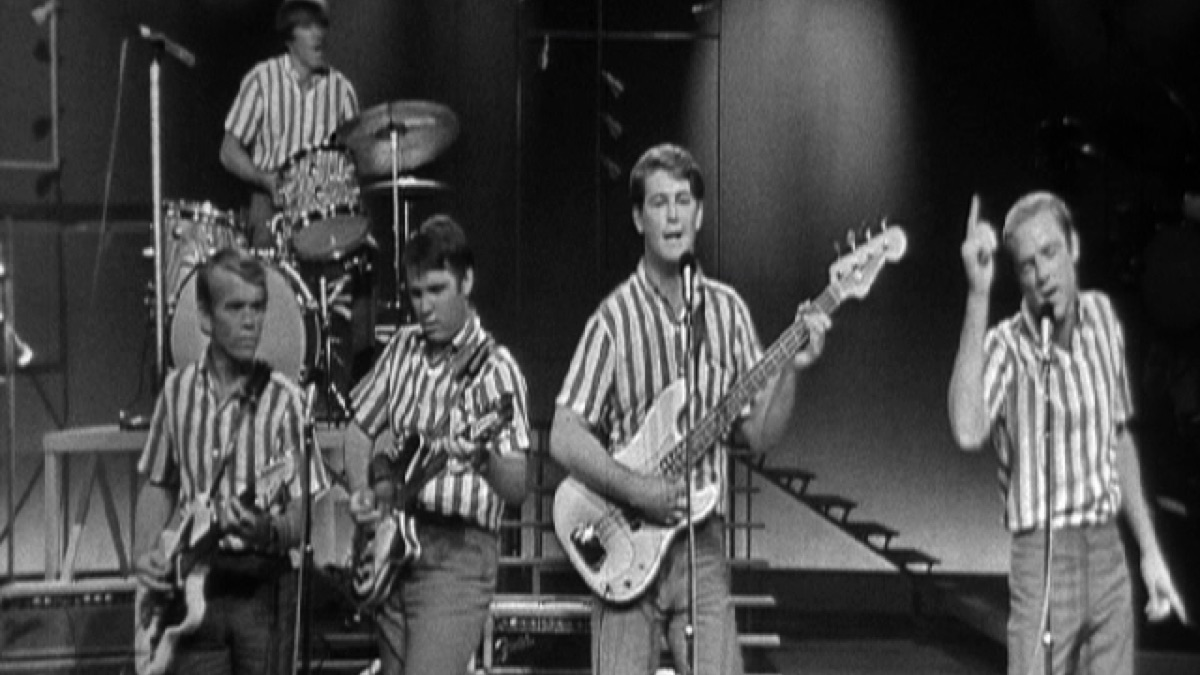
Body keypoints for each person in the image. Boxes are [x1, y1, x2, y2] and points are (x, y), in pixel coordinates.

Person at [550, 143, 831, 675]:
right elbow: (564, 435)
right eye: (659, 203)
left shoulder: (728, 312)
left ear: (699, 214)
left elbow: (759, 436)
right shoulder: (613, 320)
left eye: (683, 201)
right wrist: (636, 490)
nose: (673, 216)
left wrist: (792, 368)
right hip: (626, 539)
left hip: (702, 545)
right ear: (639, 218)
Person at [948, 191, 1188, 675]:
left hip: (1107, 553)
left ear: (1073, 247)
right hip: (1043, 555)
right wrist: (978, 295)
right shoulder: (1007, 346)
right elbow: (967, 429)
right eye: (1027, 265)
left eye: (1050, 252)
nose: (1042, 274)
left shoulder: (1101, 318)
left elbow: (1118, 439)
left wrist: (1150, 553)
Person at [346, 215, 532, 675]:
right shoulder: (402, 349)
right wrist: (362, 495)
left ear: (466, 282)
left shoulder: (496, 371)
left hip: (457, 555)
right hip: (394, 542)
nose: (424, 307)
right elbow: (358, 429)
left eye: (437, 290)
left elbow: (516, 486)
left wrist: (483, 458)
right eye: (416, 294)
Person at [133, 247, 330, 675]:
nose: (250, 321)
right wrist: (146, 554)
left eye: (257, 307)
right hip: (190, 583)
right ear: (205, 318)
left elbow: (304, 514)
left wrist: (267, 529)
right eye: (236, 307)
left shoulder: (286, 403)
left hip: (261, 591)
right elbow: (158, 484)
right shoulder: (177, 392)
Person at [220, 0, 359, 248]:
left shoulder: (342, 90)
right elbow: (228, 152)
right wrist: (265, 179)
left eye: (321, 25)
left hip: (325, 205)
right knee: (262, 223)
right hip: (270, 200)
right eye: (307, 26)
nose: (318, 35)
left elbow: (358, 155)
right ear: (289, 36)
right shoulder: (262, 80)